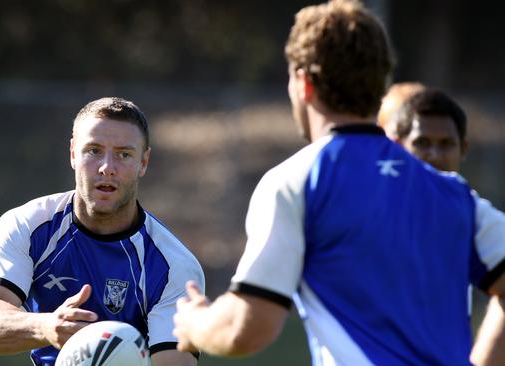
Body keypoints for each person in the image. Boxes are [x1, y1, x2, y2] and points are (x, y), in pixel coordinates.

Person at [172, 1, 505, 364]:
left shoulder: (297, 182)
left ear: (303, 82)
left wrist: (194, 322)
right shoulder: (453, 192)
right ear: (382, 81)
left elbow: (247, 327)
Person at [0, 97, 205, 366]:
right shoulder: (29, 226)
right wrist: (46, 327)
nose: (107, 168)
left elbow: (174, 362)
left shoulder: (173, 266)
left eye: (124, 154)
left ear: (144, 162)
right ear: (72, 155)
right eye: (93, 150)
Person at [386, 88, 505, 366]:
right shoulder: (362, 206)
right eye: (422, 143)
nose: (435, 155)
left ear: (463, 149)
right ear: (397, 146)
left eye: (446, 144)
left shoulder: (470, 213)